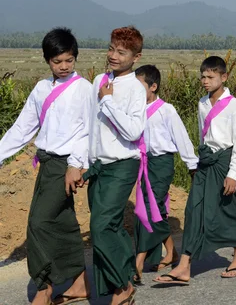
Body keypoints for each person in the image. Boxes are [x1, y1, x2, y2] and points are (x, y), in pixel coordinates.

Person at [0, 28, 92, 305]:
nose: (64, 66)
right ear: (47, 60)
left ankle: (44, 287)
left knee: (39, 222)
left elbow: (88, 131)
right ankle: (79, 282)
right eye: (57, 61)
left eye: (69, 60)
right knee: (63, 223)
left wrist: (76, 165)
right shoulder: (41, 89)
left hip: (66, 164)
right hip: (47, 163)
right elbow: (22, 128)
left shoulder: (84, 89)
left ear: (75, 58)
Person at [153, 56, 236, 283]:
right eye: (203, 76)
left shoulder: (234, 106)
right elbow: (202, 135)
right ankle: (184, 265)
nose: (205, 81)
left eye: (210, 77)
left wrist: (233, 174)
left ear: (224, 77)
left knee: (229, 209)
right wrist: (197, 162)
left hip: (226, 163)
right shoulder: (202, 103)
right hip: (205, 162)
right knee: (193, 210)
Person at [82, 26, 146, 304]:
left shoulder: (135, 88)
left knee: (101, 226)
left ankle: (122, 286)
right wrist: (81, 162)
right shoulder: (98, 80)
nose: (113, 56)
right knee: (113, 226)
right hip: (98, 166)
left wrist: (108, 101)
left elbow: (133, 131)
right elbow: (89, 125)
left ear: (136, 57)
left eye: (121, 52)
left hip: (122, 165)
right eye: (111, 49)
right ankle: (126, 272)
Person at [133, 65, 198, 282]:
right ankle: (171, 252)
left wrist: (192, 165)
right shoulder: (135, 110)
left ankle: (139, 261)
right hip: (143, 164)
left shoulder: (166, 110)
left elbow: (182, 138)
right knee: (152, 210)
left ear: (153, 86)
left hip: (162, 164)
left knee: (150, 210)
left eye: (139, 86)